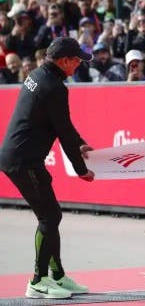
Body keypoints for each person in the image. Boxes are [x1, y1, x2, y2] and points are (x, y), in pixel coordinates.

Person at [0, 37, 95, 299]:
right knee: (49, 217)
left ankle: (57, 276)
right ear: (64, 61)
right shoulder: (54, 87)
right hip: (22, 161)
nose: (79, 64)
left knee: (52, 215)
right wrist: (80, 169)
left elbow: (60, 124)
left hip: (24, 158)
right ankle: (38, 281)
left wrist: (81, 143)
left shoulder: (38, 75)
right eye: (77, 60)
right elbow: (63, 131)